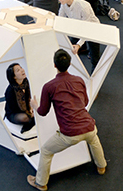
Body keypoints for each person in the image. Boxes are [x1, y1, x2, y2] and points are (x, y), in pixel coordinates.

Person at [27, 49, 107, 190]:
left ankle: (40, 183)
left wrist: (35, 106)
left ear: (54, 65)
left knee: (45, 150)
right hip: (89, 126)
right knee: (94, 139)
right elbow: (85, 102)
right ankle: (101, 167)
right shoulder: (79, 80)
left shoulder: (49, 86)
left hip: (69, 133)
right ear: (70, 63)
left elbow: (43, 112)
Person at [58, 0, 101, 73]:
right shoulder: (64, 4)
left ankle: (95, 76)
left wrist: (79, 44)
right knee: (69, 50)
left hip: (93, 29)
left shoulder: (83, 7)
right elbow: (60, 19)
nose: (59, 0)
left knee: (95, 59)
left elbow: (87, 29)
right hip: (78, 27)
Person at [4, 63, 35, 133]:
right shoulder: (10, 91)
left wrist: (30, 108)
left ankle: (32, 119)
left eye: (21, 68)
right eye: (18, 70)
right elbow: (14, 108)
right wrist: (29, 113)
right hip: (14, 112)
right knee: (25, 118)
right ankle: (32, 121)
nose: (22, 70)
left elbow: (28, 97)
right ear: (14, 77)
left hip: (25, 108)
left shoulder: (25, 82)